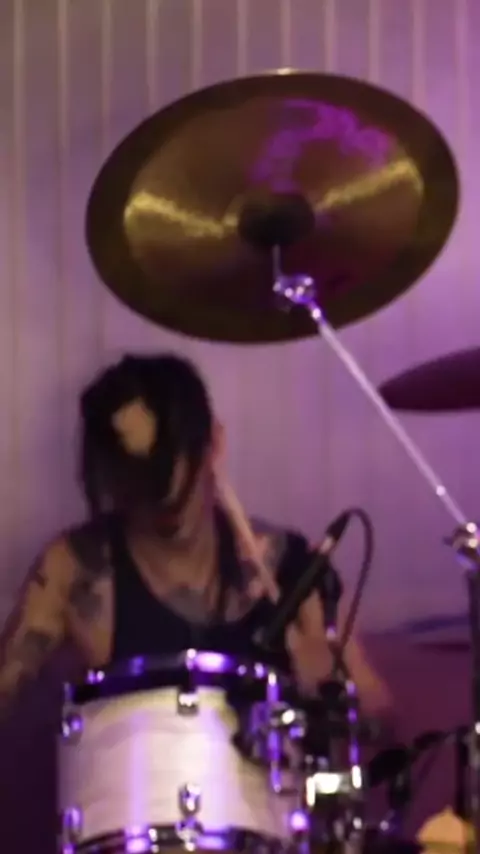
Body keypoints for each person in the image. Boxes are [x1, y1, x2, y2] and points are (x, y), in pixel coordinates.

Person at [0, 353, 393, 731]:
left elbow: (385, 724)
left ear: (214, 444)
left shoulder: (290, 568)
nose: (165, 508)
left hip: (269, 780)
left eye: (179, 491)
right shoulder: (75, 569)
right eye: (145, 487)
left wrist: (331, 696)